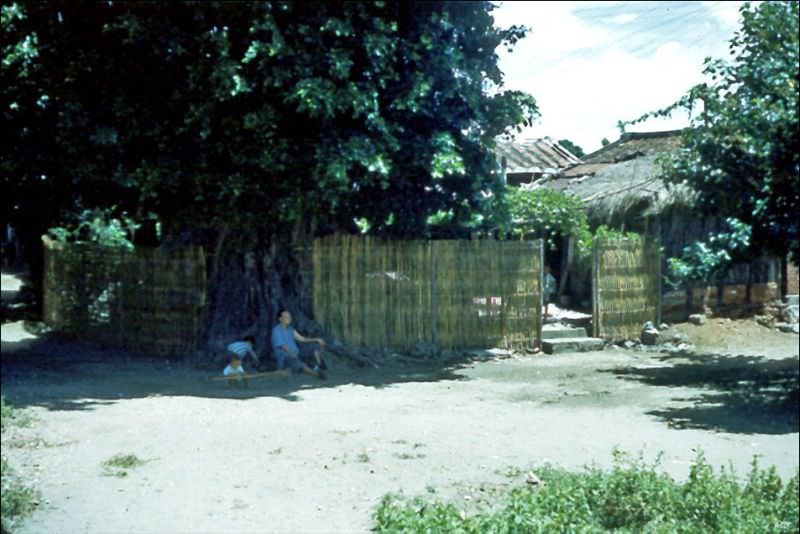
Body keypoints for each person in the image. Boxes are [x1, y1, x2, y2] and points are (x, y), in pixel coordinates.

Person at [271, 309, 327, 380]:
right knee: (298, 363)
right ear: (280, 319)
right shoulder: (276, 330)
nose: (289, 318)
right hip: (285, 357)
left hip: (296, 354)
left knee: (313, 347)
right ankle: (316, 374)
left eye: (289, 316)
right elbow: (282, 346)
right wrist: (291, 353)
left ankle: (318, 366)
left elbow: (302, 339)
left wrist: (316, 339)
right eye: (286, 317)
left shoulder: (290, 329)